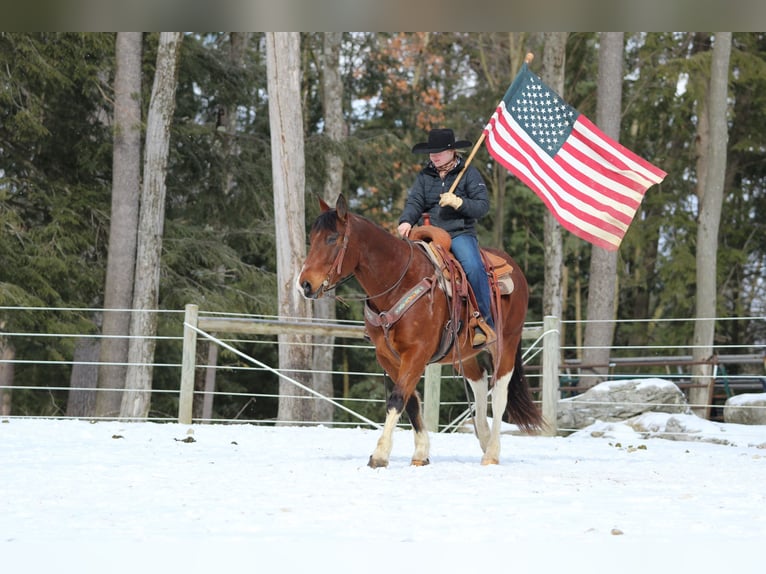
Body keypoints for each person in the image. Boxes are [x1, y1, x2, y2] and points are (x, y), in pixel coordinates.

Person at [397, 128, 495, 347]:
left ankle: (481, 322)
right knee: (400, 263)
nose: (434, 155)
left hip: (458, 233)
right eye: (431, 152)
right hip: (428, 232)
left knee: (473, 266)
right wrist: (405, 220)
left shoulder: (469, 173)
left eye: (439, 151)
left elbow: (482, 207)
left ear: (452, 151)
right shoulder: (424, 176)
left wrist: (459, 202)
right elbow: (415, 202)